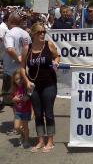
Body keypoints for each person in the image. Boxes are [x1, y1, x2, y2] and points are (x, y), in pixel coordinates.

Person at [20, 22, 60, 153]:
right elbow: (21, 68)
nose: (43, 34)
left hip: (49, 84)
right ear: (33, 34)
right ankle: (40, 140)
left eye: (44, 32)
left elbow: (57, 55)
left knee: (48, 113)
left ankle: (50, 141)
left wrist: (56, 62)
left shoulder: (49, 45)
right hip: (33, 86)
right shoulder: (27, 48)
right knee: (37, 114)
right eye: (40, 32)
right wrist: (26, 82)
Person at [0, 12, 31, 109]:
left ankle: (17, 121)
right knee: (22, 97)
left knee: (13, 100)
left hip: (11, 72)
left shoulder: (10, 33)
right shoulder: (25, 33)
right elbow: (30, 48)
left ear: (11, 21)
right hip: (23, 71)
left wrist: (18, 58)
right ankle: (20, 121)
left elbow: (10, 49)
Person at [11, 69, 32, 148]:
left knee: (25, 126)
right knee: (16, 127)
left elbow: (30, 95)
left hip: (26, 111)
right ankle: (22, 135)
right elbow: (12, 99)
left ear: (24, 78)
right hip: (18, 112)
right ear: (14, 81)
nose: (19, 81)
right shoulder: (14, 89)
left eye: (20, 78)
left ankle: (26, 140)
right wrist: (14, 99)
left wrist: (27, 97)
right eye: (16, 79)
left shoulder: (26, 87)